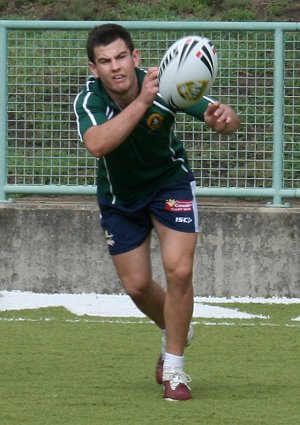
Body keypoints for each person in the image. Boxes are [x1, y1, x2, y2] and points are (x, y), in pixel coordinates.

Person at [74, 23, 240, 401]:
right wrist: (142, 103)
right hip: (120, 198)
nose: (114, 67)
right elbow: (98, 144)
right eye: (104, 61)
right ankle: (174, 327)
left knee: (179, 269)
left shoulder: (165, 84)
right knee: (136, 286)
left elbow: (219, 116)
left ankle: (175, 369)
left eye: (120, 57)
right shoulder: (89, 100)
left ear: (134, 57)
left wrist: (225, 118)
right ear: (93, 69)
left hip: (169, 185)